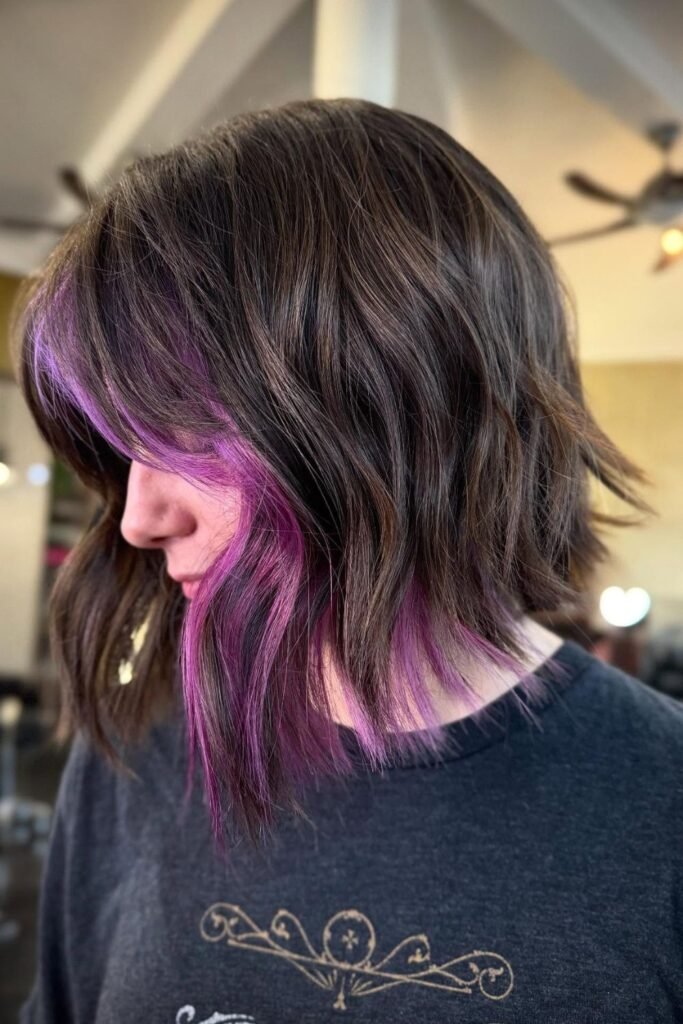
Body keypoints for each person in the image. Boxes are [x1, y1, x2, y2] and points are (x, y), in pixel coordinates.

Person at [12, 98, 683, 1023]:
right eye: (125, 448)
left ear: (398, 399)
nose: (137, 518)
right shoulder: (137, 749)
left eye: (187, 428)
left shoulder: (661, 805)